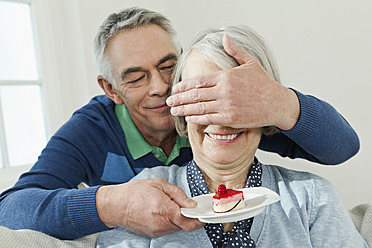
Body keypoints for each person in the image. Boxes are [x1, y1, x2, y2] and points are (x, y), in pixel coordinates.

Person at [0, 7, 359, 240]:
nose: (161, 89)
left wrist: (278, 101)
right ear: (111, 89)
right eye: (136, 77)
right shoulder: (90, 130)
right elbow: (10, 209)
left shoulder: (215, 109)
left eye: (169, 67)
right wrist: (115, 205)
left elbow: (342, 147)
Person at [97, 24, 367, 248]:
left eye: (238, 102)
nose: (222, 118)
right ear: (180, 111)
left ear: (268, 106)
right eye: (204, 98)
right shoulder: (142, 196)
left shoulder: (313, 197)